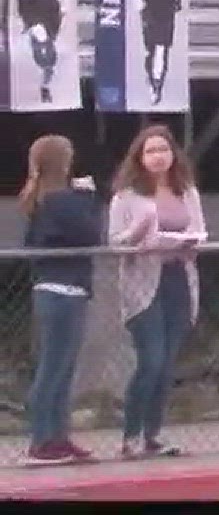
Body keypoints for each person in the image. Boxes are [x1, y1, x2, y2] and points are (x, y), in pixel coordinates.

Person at [106, 126, 207, 460]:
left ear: (173, 154)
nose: (158, 156)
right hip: (143, 283)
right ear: (139, 157)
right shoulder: (126, 195)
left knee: (167, 365)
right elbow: (115, 242)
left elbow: (198, 229)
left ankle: (153, 434)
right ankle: (130, 435)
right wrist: (137, 236)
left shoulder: (186, 191)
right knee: (152, 359)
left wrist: (190, 242)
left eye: (163, 149)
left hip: (178, 276)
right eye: (150, 151)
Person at [22, 135, 103, 466]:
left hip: (52, 288)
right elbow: (90, 234)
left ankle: (57, 436)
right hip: (64, 291)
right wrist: (88, 196)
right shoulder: (62, 199)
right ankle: (42, 439)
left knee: (62, 368)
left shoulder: (40, 199)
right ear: (63, 162)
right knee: (55, 368)